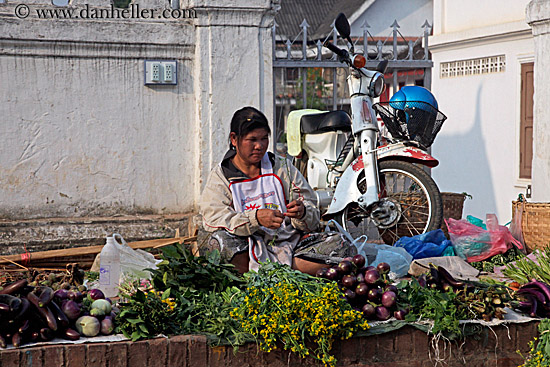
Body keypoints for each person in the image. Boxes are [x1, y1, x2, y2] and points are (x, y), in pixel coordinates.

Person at [199, 106, 356, 274]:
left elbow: (312, 212)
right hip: (246, 246)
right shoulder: (222, 175)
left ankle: (275, 271)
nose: (259, 146)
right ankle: (288, 271)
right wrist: (255, 219)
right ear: (234, 139)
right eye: (252, 140)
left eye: (264, 139)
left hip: (289, 245)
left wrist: (302, 213)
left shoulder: (282, 168)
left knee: (341, 243)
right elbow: (213, 218)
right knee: (216, 242)